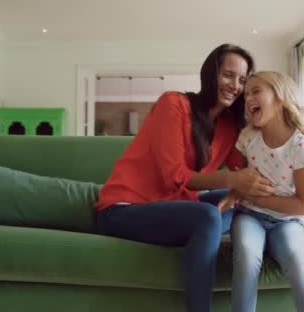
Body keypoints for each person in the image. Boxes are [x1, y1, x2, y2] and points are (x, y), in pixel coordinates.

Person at [94, 44, 276, 312]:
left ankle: (211, 235)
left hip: (172, 209)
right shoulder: (174, 104)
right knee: (209, 216)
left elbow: (249, 169)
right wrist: (231, 182)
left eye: (242, 80)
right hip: (125, 209)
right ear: (210, 74)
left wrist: (267, 117)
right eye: (228, 75)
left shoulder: (227, 126)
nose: (234, 86)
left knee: (240, 202)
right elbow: (174, 176)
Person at [218, 71, 304, 312]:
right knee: (247, 257)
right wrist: (233, 194)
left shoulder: (301, 147)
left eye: (256, 91)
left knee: (297, 261)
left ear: (280, 98)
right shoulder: (248, 138)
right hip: (250, 217)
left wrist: (257, 197)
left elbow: (303, 206)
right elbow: (240, 179)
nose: (248, 98)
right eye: (247, 94)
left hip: (287, 222)